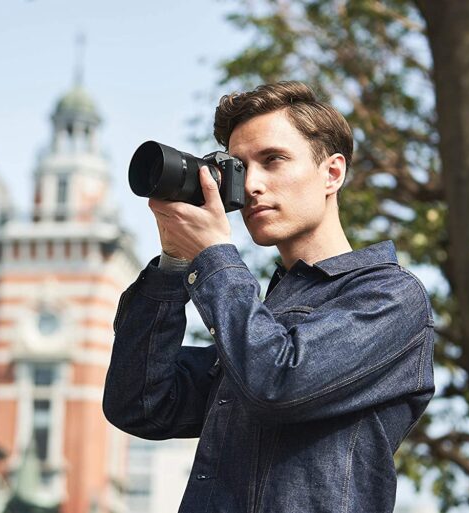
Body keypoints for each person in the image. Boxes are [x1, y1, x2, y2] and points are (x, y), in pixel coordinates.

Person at [102, 81, 434, 513]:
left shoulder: (392, 295)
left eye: (273, 160)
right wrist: (174, 264)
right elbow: (139, 404)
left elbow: (278, 383)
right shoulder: (258, 320)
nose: (252, 185)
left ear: (332, 172)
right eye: (239, 167)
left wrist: (214, 257)